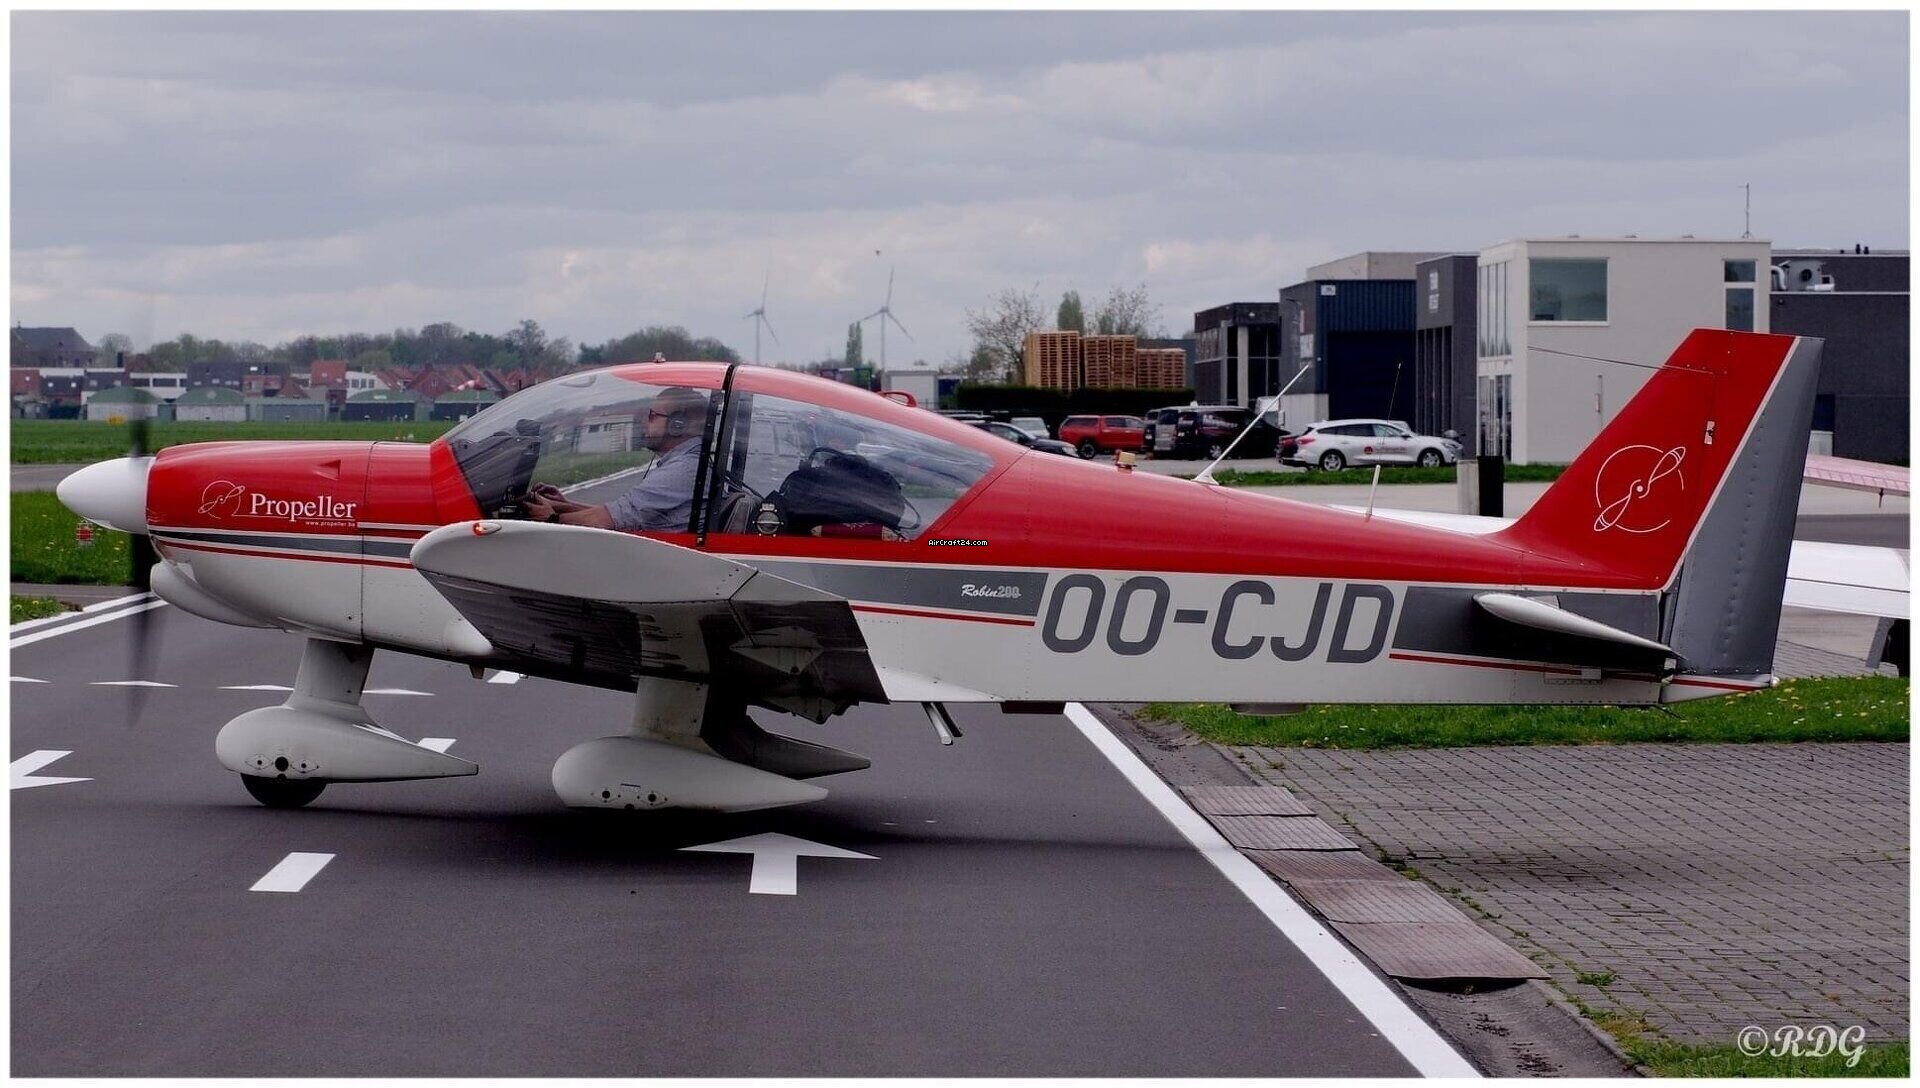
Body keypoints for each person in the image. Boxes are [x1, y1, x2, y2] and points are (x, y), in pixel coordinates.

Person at [524, 387, 708, 532]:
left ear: (677, 425)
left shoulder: (683, 470)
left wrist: (551, 519)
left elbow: (605, 521)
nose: (644, 423)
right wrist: (561, 505)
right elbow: (618, 512)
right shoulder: (692, 463)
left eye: (652, 416)